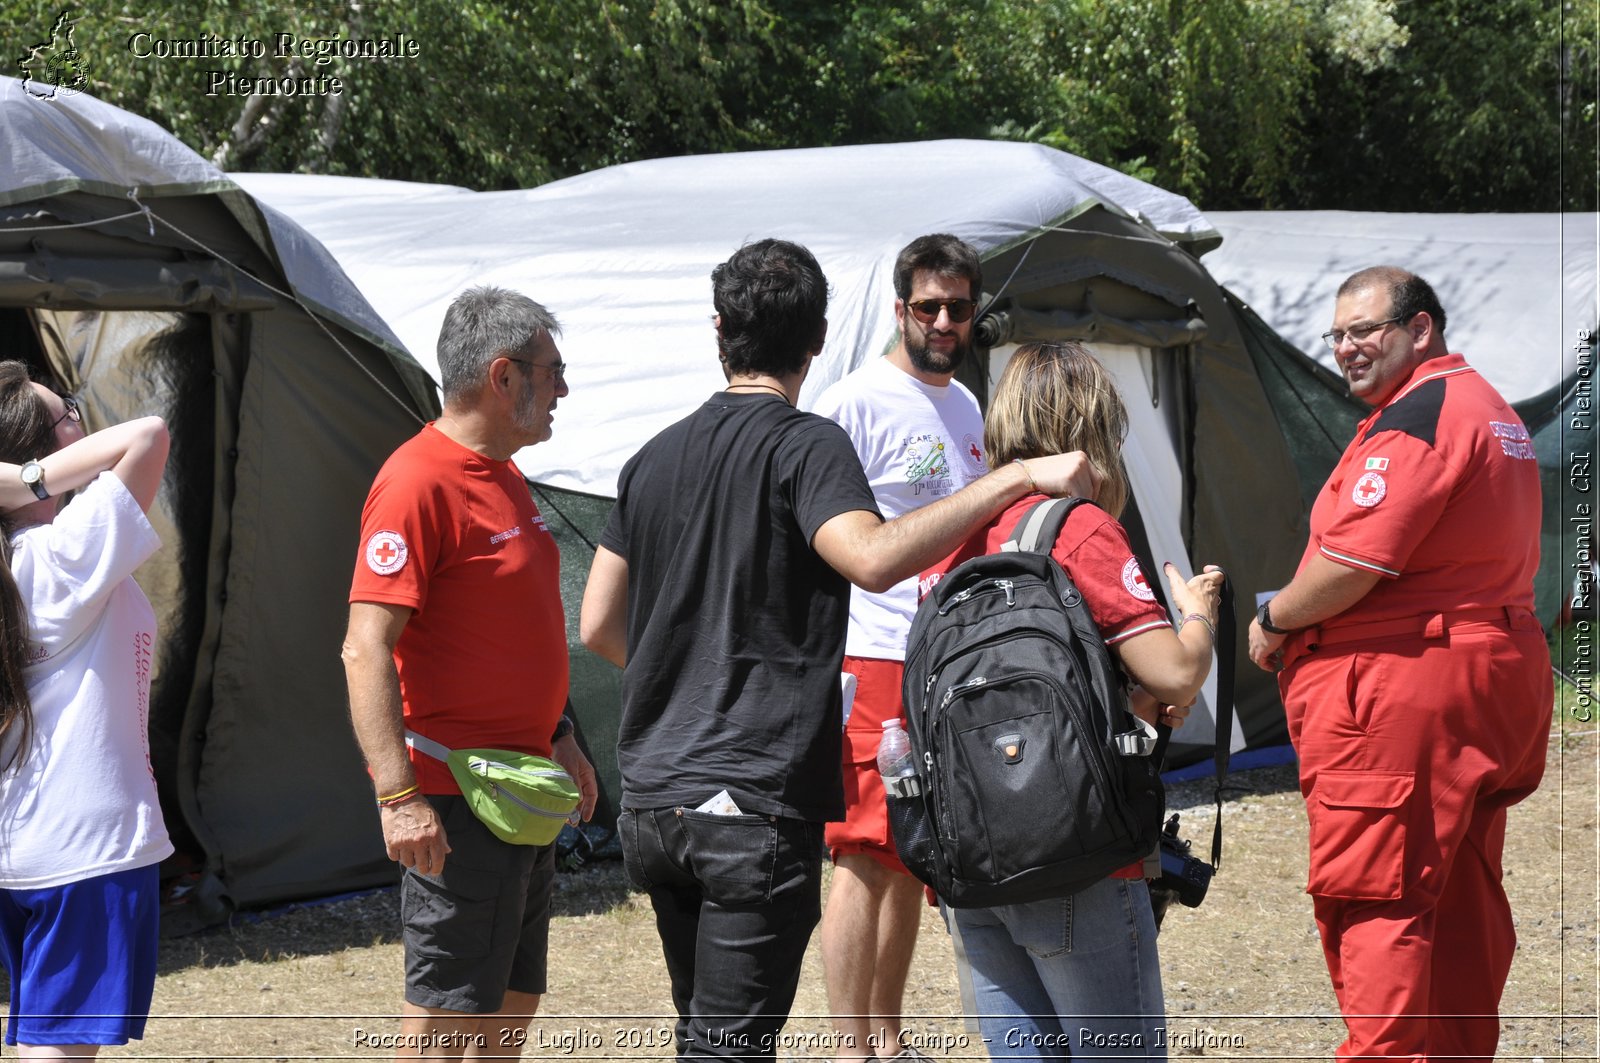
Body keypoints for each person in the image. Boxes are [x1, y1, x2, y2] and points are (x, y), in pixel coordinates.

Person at [579, 239, 1096, 1062]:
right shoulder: (808, 441)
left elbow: (599, 623)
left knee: (704, 1036)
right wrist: (1018, 477)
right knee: (731, 1047)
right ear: (818, 338)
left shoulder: (651, 458)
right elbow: (873, 557)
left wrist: (686, 682)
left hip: (653, 801)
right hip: (750, 800)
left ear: (719, 330)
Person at [1246, 267, 1550, 1063]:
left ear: (1420, 330)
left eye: (1365, 329)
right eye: (1337, 334)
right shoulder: (1489, 410)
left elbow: (1355, 562)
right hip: (1486, 671)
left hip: (1410, 687)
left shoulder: (1418, 416)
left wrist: (1274, 618)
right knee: (1456, 897)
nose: (1347, 347)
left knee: (1376, 892)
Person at [921, 342, 1222, 1061]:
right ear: (1091, 431)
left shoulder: (956, 536)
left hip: (970, 861)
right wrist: (1199, 613)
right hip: (1075, 857)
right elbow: (1177, 673)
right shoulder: (1077, 527)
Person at [343, 287, 598, 1063]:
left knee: (510, 1002)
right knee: (448, 1017)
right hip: (457, 800)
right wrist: (398, 797)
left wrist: (561, 735)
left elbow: (507, 630)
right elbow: (363, 649)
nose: (563, 388)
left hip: (520, 786)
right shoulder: (417, 481)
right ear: (503, 376)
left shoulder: (504, 473)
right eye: (553, 371)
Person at [811, 233, 990, 1062]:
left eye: (958, 306)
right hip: (873, 653)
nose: (945, 320)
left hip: (943, 657)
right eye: (929, 306)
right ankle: (850, 1044)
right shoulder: (854, 401)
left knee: (914, 848)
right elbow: (820, 531)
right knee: (859, 849)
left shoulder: (967, 405)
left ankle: (888, 1036)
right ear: (899, 309)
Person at [0, 362, 172, 1060]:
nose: (81, 416)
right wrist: (32, 478)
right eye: (66, 411)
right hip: (88, 852)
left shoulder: (26, 555)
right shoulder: (64, 553)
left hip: (24, 847)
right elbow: (150, 433)